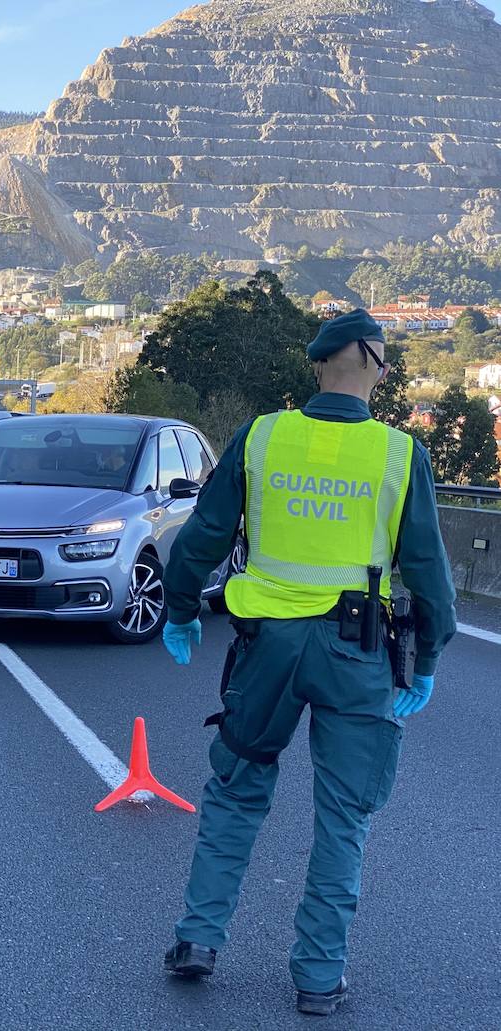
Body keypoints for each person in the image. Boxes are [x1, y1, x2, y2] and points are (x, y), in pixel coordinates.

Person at [158, 308, 456, 1017]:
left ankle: (199, 937)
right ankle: (318, 977)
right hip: (357, 652)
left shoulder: (262, 435)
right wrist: (429, 657)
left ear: (318, 364)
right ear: (377, 370)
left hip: (267, 647)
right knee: (343, 815)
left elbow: (203, 532)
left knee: (236, 789)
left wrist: (176, 611)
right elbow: (429, 571)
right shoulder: (398, 453)